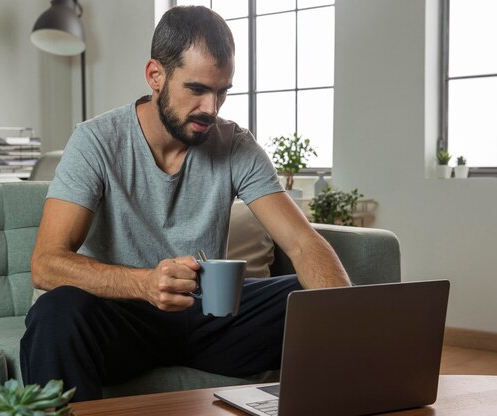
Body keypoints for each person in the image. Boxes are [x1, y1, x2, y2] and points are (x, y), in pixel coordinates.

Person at [20, 5, 351, 402]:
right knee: (57, 314)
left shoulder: (236, 146)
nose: (211, 108)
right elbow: (46, 263)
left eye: (222, 91)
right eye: (197, 89)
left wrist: (346, 323)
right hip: (126, 317)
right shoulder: (96, 141)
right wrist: (143, 283)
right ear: (155, 75)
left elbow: (301, 242)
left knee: (311, 298)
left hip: (209, 320)